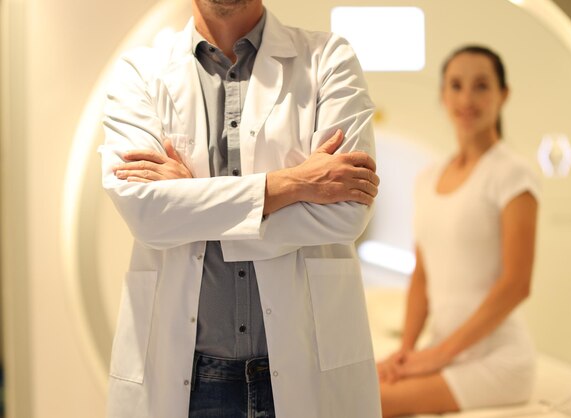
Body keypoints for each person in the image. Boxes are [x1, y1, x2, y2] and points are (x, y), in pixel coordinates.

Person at [98, 1, 382, 417]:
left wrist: (192, 200)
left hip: (305, 365)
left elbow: (345, 214)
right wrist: (295, 184)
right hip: (188, 379)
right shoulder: (139, 72)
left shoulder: (329, 59)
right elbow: (146, 215)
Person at [377, 45, 540, 416]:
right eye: (456, 85)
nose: (467, 98)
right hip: (442, 353)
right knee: (338, 384)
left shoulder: (513, 174)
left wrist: (436, 356)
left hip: (497, 361)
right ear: (442, 95)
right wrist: (407, 350)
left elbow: (518, 284)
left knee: (361, 399)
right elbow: (421, 275)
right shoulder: (427, 178)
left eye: (481, 86)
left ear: (504, 95)